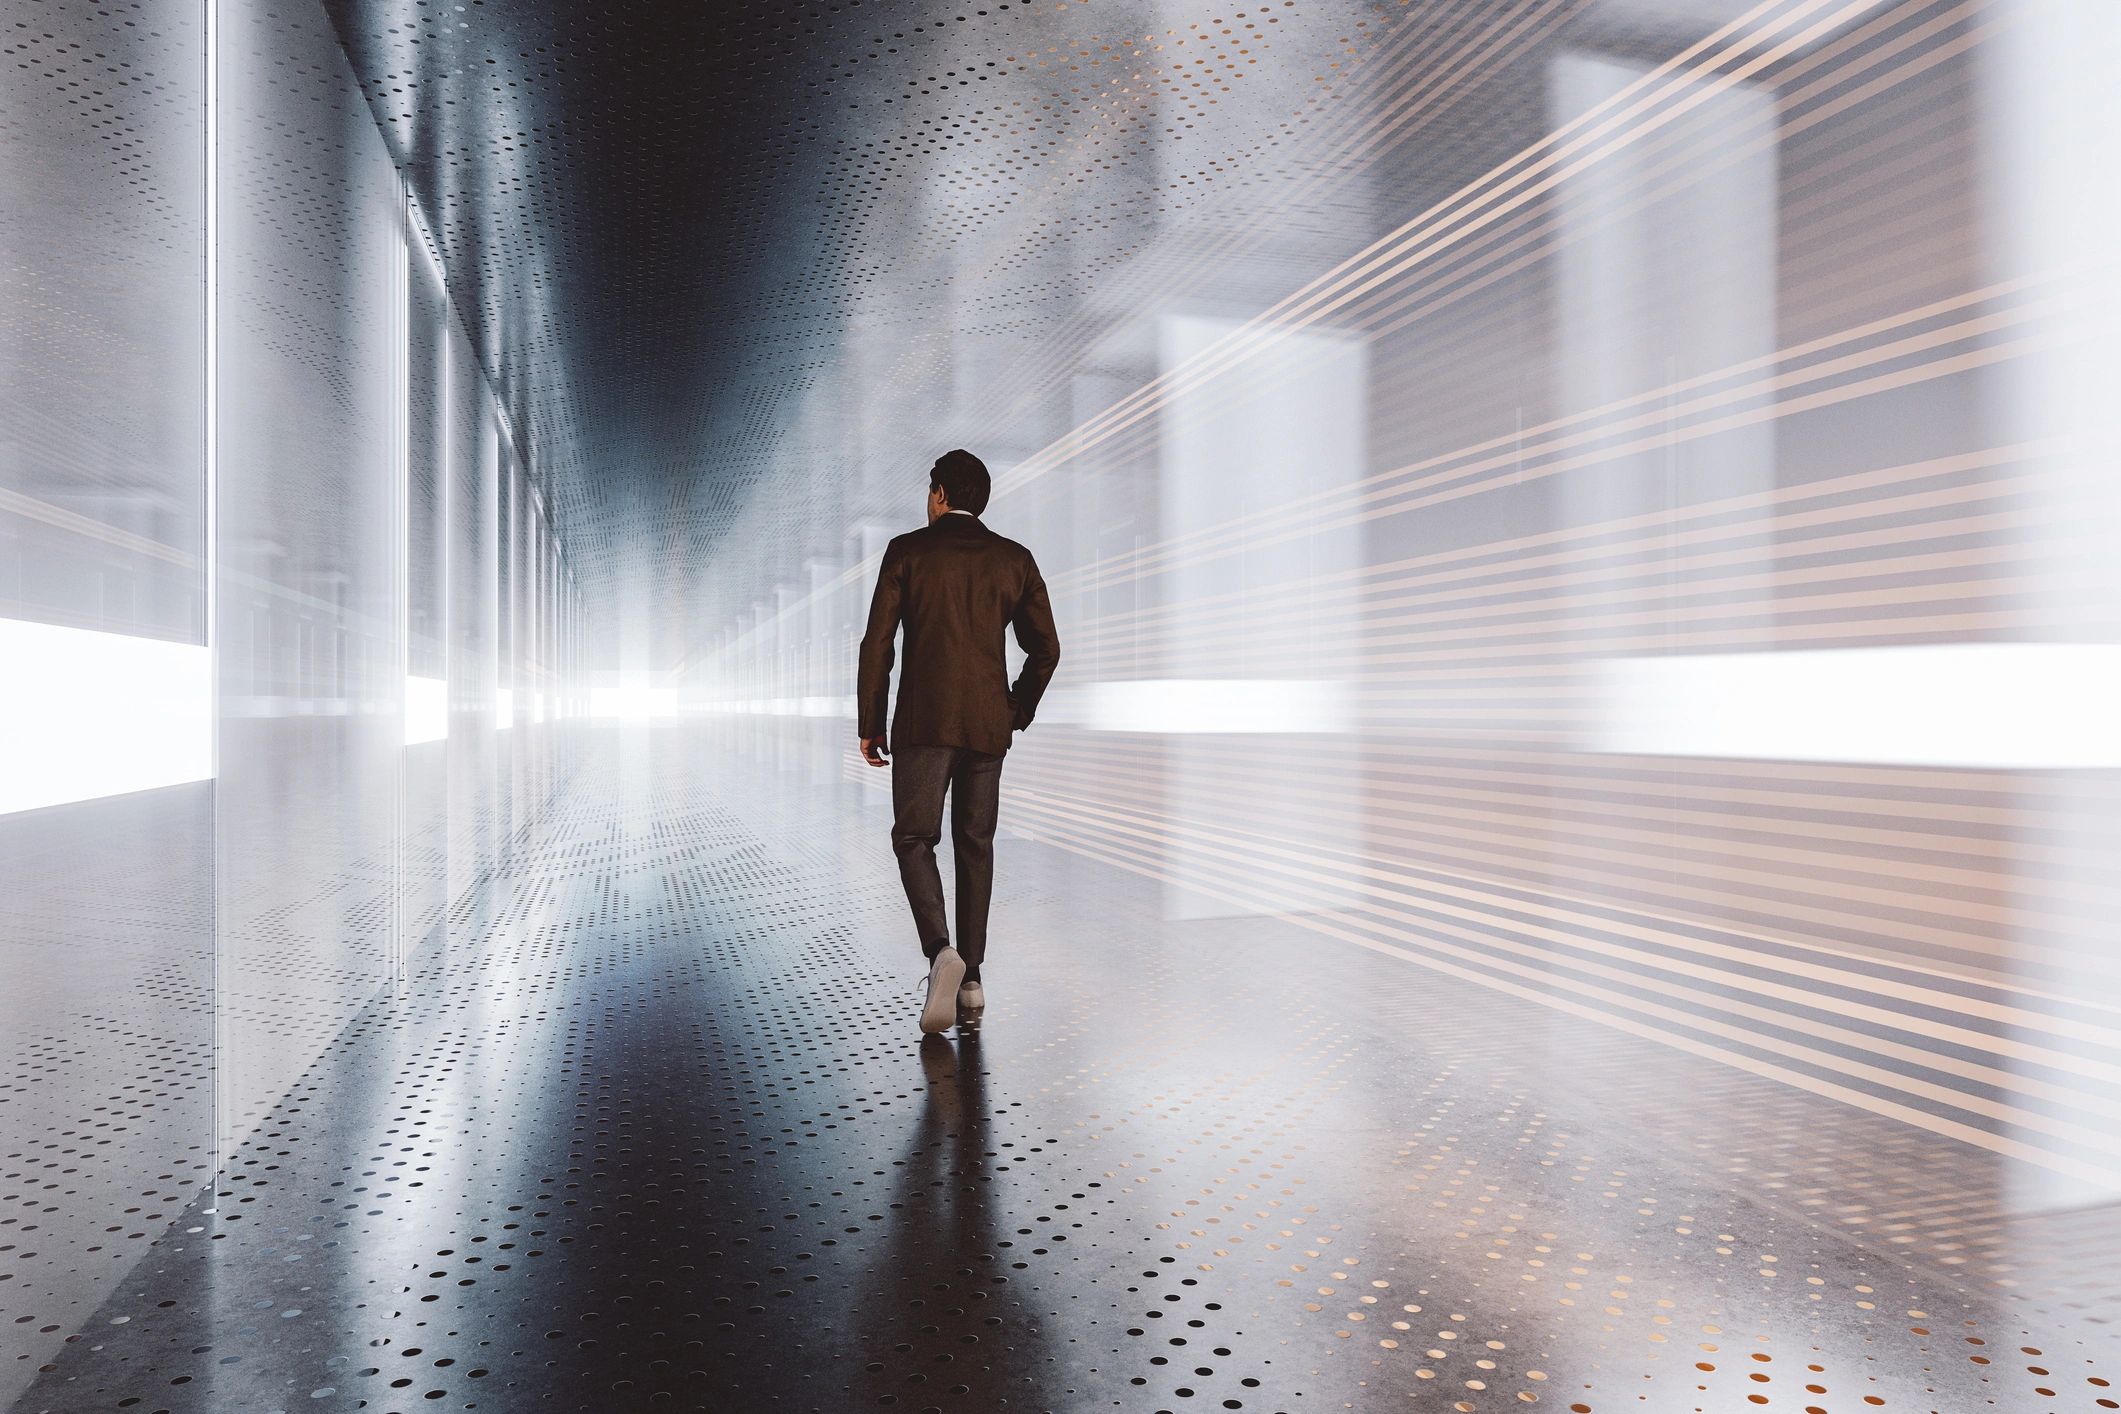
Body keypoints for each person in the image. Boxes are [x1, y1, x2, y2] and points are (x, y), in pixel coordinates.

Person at [857, 449, 1060, 1034]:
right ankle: (971, 980)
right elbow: (1046, 649)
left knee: (914, 837)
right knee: (976, 844)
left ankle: (940, 951)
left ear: (940, 494)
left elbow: (878, 643)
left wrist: (871, 721)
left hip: (924, 724)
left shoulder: (907, 552)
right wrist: (1014, 709)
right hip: (987, 727)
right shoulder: (1014, 559)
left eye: (930, 491)